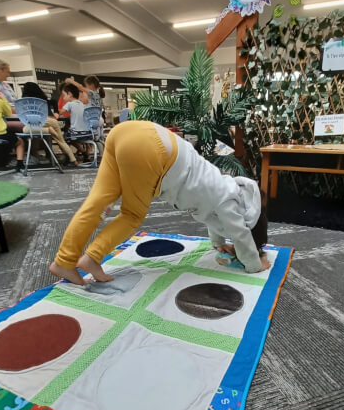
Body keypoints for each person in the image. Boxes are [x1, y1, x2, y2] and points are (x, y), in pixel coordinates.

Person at [49, 119, 270, 286]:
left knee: (96, 202)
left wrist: (218, 243)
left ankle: (64, 261)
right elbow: (239, 230)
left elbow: (214, 217)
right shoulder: (229, 201)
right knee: (132, 215)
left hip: (126, 132)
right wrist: (254, 264)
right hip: (153, 151)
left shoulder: (224, 187)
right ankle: (92, 257)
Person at [21, 81, 79, 168]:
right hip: (52, 121)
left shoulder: (26, 102)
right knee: (61, 141)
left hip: (40, 122)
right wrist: (55, 111)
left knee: (25, 129)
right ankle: (73, 160)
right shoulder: (44, 100)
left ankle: (48, 130)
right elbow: (54, 101)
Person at [0, 58, 23, 133]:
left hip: (15, 115)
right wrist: (21, 111)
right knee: (34, 126)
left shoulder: (5, 85)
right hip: (3, 119)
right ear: (0, 70)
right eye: (7, 72)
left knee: (43, 124)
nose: (8, 75)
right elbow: (0, 107)